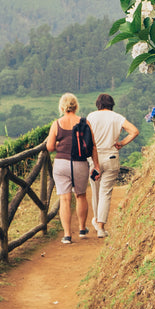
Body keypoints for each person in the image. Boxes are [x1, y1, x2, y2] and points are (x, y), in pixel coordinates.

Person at [46, 93, 100, 245]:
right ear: (76, 107)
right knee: (80, 196)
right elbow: (93, 145)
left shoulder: (57, 124)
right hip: (80, 163)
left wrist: (59, 145)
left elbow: (50, 147)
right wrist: (96, 165)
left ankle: (67, 235)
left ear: (62, 107)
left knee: (64, 199)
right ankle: (82, 229)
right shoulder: (84, 122)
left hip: (61, 163)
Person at [85, 93, 139, 238]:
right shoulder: (117, 117)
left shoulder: (91, 116)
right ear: (111, 104)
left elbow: (86, 137)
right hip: (111, 157)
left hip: (93, 158)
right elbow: (134, 131)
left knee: (95, 192)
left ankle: (96, 221)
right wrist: (121, 143)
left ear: (98, 104)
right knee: (105, 193)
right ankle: (101, 228)